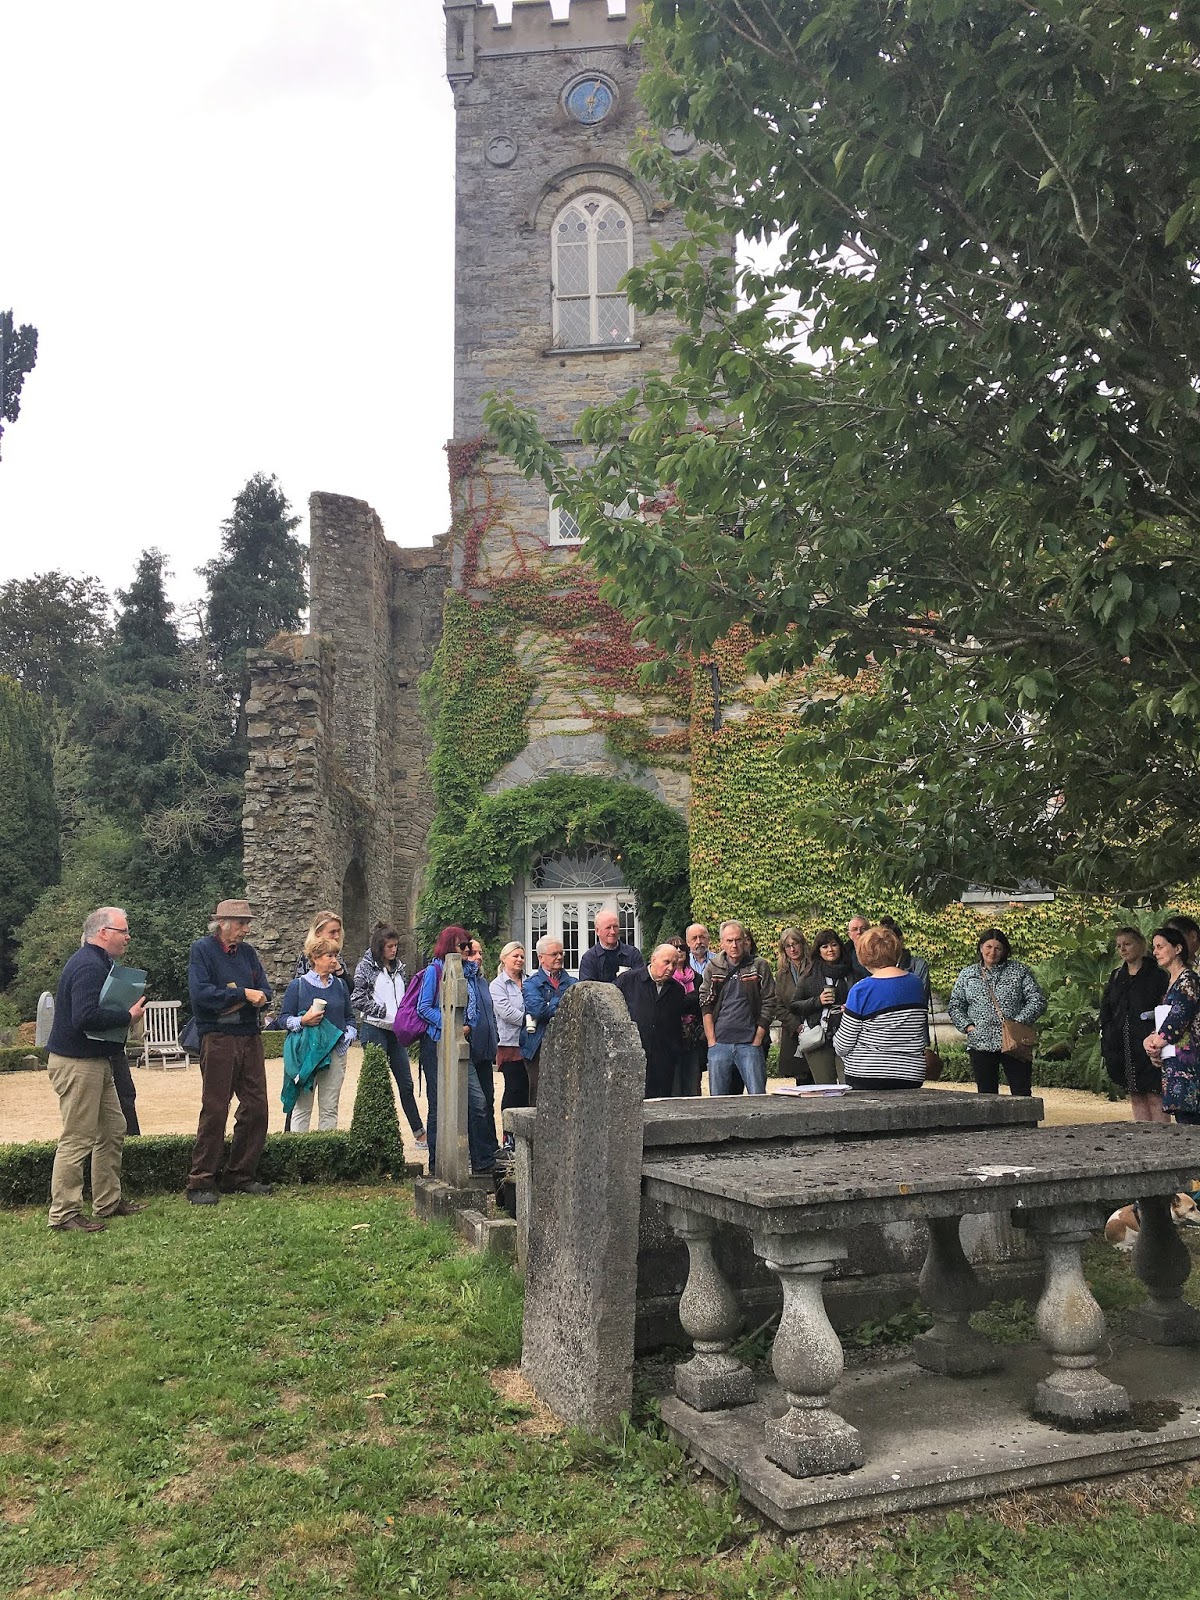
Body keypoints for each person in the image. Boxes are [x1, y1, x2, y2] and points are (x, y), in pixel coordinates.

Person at [45, 906, 149, 1232]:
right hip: (78, 1064)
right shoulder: (89, 966)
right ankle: (63, 1214)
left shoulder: (99, 963)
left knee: (113, 1128)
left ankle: (107, 1202)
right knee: (77, 1138)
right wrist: (126, 1017)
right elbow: (85, 1017)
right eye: (123, 931)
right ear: (103, 933)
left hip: (94, 1061)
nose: (128, 937)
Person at [186, 898, 273, 1204]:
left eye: (247, 923)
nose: (245, 929)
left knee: (257, 1107)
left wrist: (256, 997)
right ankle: (200, 1181)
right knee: (215, 1108)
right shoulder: (202, 950)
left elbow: (266, 989)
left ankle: (239, 1175)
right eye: (241, 923)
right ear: (222, 923)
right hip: (218, 1038)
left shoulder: (248, 953)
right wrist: (241, 994)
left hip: (249, 1036)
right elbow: (200, 996)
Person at [352, 923, 427, 1151]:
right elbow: (357, 999)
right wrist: (382, 1011)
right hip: (374, 1028)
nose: (394, 950)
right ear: (380, 947)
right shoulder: (365, 968)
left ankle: (419, 1132)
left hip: (396, 1031)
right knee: (377, 1081)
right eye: (389, 946)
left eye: (396, 946)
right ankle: (375, 1135)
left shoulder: (400, 968)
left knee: (405, 1082)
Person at [947, 927, 1046, 1097]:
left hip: (1014, 1041)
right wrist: (968, 1026)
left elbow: (1037, 1000)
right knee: (986, 1095)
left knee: (1021, 1092)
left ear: (1004, 951)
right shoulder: (968, 974)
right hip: (981, 1042)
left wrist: (1017, 1023)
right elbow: (955, 1005)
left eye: (998, 948)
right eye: (988, 947)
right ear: (980, 947)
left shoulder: (1019, 971)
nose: (992, 952)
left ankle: (1025, 1124)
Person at [834, 925, 929, 1090]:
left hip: (867, 1073)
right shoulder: (916, 984)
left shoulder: (861, 989)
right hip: (910, 1073)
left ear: (864, 955)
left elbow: (843, 1045)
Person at [279, 937, 357, 1130]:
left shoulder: (340, 986)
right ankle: (300, 1155)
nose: (334, 961)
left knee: (330, 1108)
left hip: (335, 1054)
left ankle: (326, 1156)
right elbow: (283, 1019)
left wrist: (347, 1036)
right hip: (306, 1054)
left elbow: (350, 1018)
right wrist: (303, 1021)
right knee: (302, 1109)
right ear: (315, 957)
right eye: (329, 956)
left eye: (336, 956)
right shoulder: (297, 986)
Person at [415, 925, 473, 1171]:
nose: (468, 950)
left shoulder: (466, 973)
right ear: (450, 947)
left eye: (469, 945)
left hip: (456, 1040)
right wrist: (450, 1025)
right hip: (436, 1041)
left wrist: (466, 1024)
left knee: (458, 1100)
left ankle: (455, 1159)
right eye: (463, 946)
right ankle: (435, 1162)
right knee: (438, 1103)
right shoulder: (434, 971)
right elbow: (423, 1007)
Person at [698, 920, 776, 1096]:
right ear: (722, 943)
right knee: (718, 1101)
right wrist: (711, 1041)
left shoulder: (759, 965)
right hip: (720, 1043)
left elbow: (770, 1002)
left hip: (750, 1043)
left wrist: (758, 1039)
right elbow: (705, 1003)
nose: (734, 945)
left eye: (738, 940)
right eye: (729, 941)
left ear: (745, 941)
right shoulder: (713, 967)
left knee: (757, 1098)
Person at [1100, 926, 1170, 1122]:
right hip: (1123, 1046)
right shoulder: (1116, 976)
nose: (1123, 949)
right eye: (1119, 946)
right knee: (1135, 1095)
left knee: (1155, 1095)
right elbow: (1106, 1009)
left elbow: (1165, 1008)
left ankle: (1162, 1141)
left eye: (1127, 944)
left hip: (1150, 1044)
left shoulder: (1157, 975)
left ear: (1140, 945)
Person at [616, 943, 691, 1098]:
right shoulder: (628, 981)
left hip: (663, 1060)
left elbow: (675, 1022)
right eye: (666, 962)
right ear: (653, 959)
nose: (671, 968)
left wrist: (674, 1049)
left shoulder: (677, 989)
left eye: (675, 964)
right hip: (632, 1056)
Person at [1144, 926, 1200, 1125]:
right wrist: (1150, 1041)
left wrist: (1157, 1041)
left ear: (1177, 949)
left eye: (1160, 946)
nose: (1155, 952)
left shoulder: (1188, 980)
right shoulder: (1171, 983)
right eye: (1154, 948)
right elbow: (1165, 1019)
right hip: (1174, 1064)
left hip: (1190, 1065)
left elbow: (1179, 1017)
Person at [788, 929, 855, 1085]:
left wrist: (851, 1007)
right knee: (825, 1088)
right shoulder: (810, 974)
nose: (830, 950)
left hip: (847, 1036)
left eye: (833, 945)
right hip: (820, 1038)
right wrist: (817, 1001)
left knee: (850, 1086)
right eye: (825, 946)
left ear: (840, 947)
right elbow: (794, 1005)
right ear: (818, 950)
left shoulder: (851, 973)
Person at [463, 938, 503, 1174]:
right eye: (473, 953)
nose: (478, 957)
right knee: (477, 1104)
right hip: (470, 1050)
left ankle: (489, 1151)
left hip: (485, 1052)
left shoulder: (481, 982)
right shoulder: (466, 982)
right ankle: (480, 1158)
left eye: (480, 953)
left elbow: (489, 1016)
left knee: (488, 1102)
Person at [522, 936, 577, 1104]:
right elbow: (538, 1010)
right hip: (538, 1046)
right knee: (539, 1095)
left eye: (561, 953)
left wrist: (549, 1004)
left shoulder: (573, 982)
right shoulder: (531, 983)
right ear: (541, 958)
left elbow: (576, 1009)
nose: (559, 957)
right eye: (554, 954)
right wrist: (562, 1002)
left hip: (568, 1045)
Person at [490, 942, 530, 1127]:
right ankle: (509, 1134)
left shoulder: (530, 981)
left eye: (522, 956)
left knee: (528, 1089)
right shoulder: (497, 985)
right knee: (513, 1089)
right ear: (504, 958)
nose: (520, 960)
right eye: (515, 956)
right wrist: (530, 1021)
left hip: (530, 1044)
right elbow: (506, 1012)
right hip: (510, 1044)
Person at [774, 927, 814, 1086]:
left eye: (795, 943)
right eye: (788, 946)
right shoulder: (782, 973)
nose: (793, 949)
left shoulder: (815, 967)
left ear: (802, 944)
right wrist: (796, 1026)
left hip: (816, 1027)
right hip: (794, 1033)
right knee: (802, 1081)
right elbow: (777, 1005)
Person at [578, 907, 644, 983]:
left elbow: (640, 984)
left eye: (615, 927)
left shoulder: (633, 954)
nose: (613, 932)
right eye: (608, 928)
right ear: (597, 931)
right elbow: (587, 989)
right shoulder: (589, 959)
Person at [877, 916, 931, 999]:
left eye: (890, 941)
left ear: (900, 940)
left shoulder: (918, 965)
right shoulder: (876, 965)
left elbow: (921, 996)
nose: (886, 946)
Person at [292, 911, 350, 984]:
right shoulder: (307, 956)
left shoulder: (338, 957)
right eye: (332, 932)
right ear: (318, 933)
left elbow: (350, 989)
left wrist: (339, 969)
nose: (337, 936)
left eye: (338, 931)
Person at [846, 913, 871, 980]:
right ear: (849, 935)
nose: (859, 932)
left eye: (863, 928)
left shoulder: (878, 951)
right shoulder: (845, 954)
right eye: (855, 929)